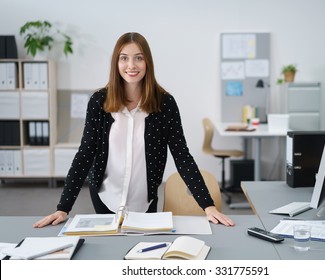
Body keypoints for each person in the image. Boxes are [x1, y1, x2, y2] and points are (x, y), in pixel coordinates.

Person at [34, 32, 235, 228]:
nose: (131, 65)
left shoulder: (164, 104)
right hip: (105, 198)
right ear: (116, 63)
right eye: (124, 58)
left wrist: (208, 206)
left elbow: (181, 155)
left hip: (145, 201)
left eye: (138, 58)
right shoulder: (99, 102)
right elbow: (85, 154)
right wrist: (63, 208)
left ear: (147, 62)